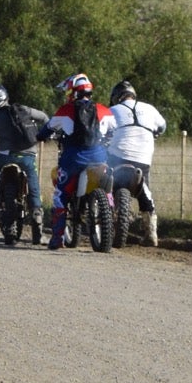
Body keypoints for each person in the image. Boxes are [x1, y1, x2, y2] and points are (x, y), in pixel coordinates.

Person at [37, 72, 116, 250]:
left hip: (73, 161)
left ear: (73, 92)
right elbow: (114, 131)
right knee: (107, 186)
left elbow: (47, 130)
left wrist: (40, 136)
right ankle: (111, 210)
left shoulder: (65, 111)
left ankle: (57, 239)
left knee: (60, 195)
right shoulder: (104, 110)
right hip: (99, 158)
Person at [0, 84, 46, 239]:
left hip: (4, 157)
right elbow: (45, 118)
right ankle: (37, 210)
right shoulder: (24, 109)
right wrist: (46, 133)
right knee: (32, 175)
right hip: (28, 157)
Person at [107, 79, 166, 246]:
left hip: (118, 157)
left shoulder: (111, 111)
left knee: (104, 175)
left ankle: (104, 210)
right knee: (144, 189)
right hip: (143, 158)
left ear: (116, 97)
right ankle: (151, 232)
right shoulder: (150, 108)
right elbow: (162, 127)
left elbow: (101, 131)